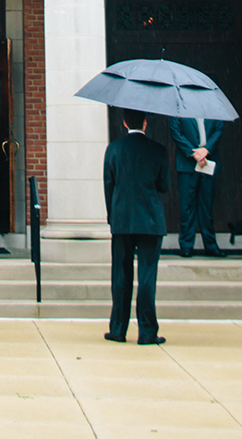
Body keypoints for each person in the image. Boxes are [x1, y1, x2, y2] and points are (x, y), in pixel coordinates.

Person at [103, 108, 170, 346]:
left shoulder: (113, 149)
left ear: (123, 123)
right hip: (150, 219)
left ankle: (118, 329)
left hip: (122, 218)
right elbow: (164, 186)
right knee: (147, 276)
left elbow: (108, 186)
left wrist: (113, 216)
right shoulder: (159, 150)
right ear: (145, 122)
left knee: (120, 276)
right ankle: (147, 331)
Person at [170, 114, 225, 257]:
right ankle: (186, 245)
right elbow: (176, 132)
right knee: (187, 206)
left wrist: (206, 150)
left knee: (207, 205)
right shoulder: (179, 107)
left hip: (209, 160)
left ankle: (211, 245)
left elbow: (218, 130)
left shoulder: (212, 106)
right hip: (187, 162)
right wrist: (194, 153)